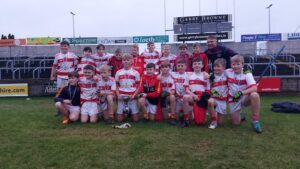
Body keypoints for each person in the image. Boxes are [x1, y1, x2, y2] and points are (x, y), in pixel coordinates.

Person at [226, 55, 262, 133]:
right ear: (231, 64)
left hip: (243, 97)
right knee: (236, 123)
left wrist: (241, 93)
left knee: (254, 95)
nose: (235, 66)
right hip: (233, 99)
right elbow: (217, 72)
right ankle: (240, 113)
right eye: (233, 64)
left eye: (238, 64)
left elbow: (254, 88)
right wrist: (209, 74)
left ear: (242, 64)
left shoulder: (246, 72)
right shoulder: (228, 72)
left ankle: (255, 120)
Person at [182, 58, 210, 128]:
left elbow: (208, 90)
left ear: (202, 65)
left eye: (199, 64)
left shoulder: (205, 76)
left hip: (202, 97)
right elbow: (186, 89)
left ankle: (206, 113)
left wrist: (201, 97)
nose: (197, 65)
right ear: (192, 66)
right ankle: (186, 119)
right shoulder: (189, 75)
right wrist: (194, 95)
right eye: (195, 64)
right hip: (192, 96)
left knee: (199, 122)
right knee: (185, 97)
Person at [115, 54, 140, 122]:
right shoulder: (118, 72)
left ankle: (130, 113)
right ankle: (125, 113)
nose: (126, 61)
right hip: (122, 96)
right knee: (119, 120)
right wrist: (118, 95)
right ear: (122, 61)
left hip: (132, 96)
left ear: (132, 61)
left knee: (136, 120)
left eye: (128, 60)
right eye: (124, 60)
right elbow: (116, 86)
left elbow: (138, 87)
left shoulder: (136, 73)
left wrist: (134, 95)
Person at [207, 58, 228, 129]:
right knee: (210, 101)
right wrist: (217, 94)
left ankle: (216, 116)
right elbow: (208, 89)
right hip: (215, 99)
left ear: (224, 67)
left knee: (220, 123)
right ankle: (213, 121)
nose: (215, 68)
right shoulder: (211, 76)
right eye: (214, 66)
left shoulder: (227, 74)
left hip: (223, 100)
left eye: (218, 66)